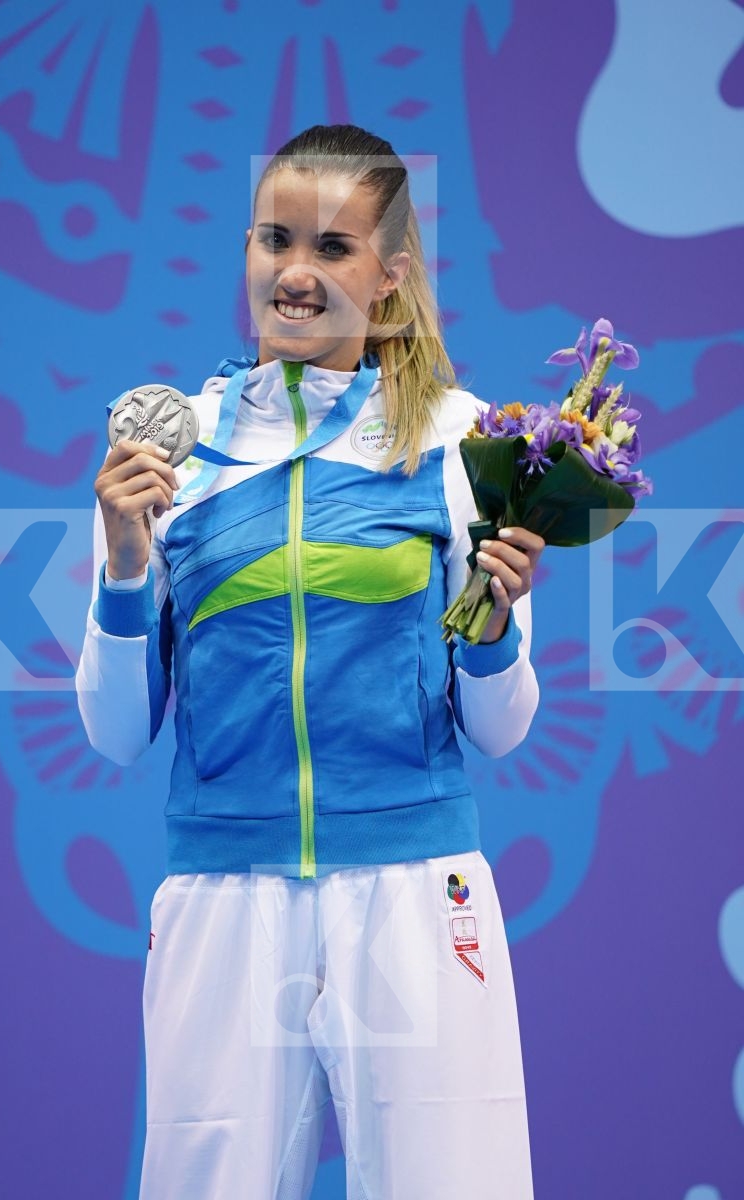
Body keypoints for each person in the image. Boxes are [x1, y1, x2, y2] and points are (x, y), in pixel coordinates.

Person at [76, 123, 543, 1200]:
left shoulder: (459, 442)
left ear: (390, 278)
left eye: (333, 248)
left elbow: (502, 728)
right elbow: (114, 732)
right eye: (274, 239)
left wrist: (493, 621)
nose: (295, 271)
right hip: (223, 895)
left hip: (413, 891)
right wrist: (124, 564)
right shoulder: (171, 449)